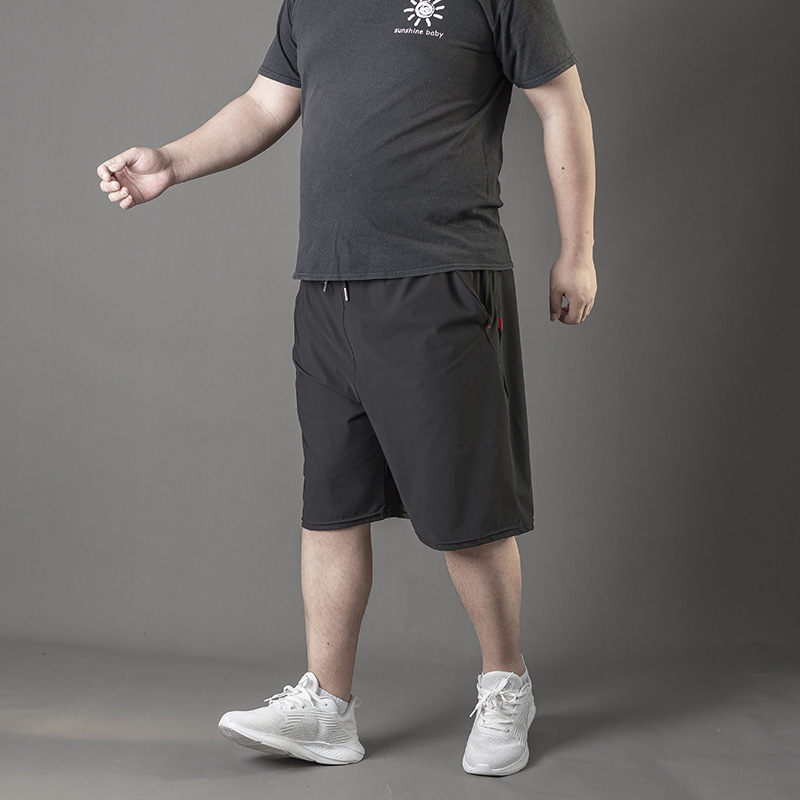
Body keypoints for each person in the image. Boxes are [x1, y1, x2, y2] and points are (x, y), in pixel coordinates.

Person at [97, 0, 596, 777]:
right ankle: (328, 707)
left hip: (441, 279)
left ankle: (507, 684)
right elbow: (265, 104)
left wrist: (578, 251)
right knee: (333, 505)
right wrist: (171, 160)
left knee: (466, 511)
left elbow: (562, 105)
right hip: (328, 287)